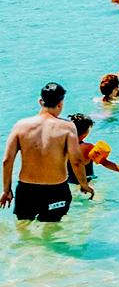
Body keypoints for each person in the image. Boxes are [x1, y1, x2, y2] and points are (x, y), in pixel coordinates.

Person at [1, 83, 94, 221]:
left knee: (23, 227)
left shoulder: (20, 126)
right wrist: (84, 184)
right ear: (61, 103)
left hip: (26, 190)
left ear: (40, 101)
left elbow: (7, 160)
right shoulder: (67, 127)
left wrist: (6, 190)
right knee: (51, 230)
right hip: (56, 190)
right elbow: (76, 161)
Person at [66, 114, 119, 182]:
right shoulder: (87, 147)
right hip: (88, 181)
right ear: (86, 131)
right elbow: (105, 163)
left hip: (69, 181)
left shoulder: (62, 146)